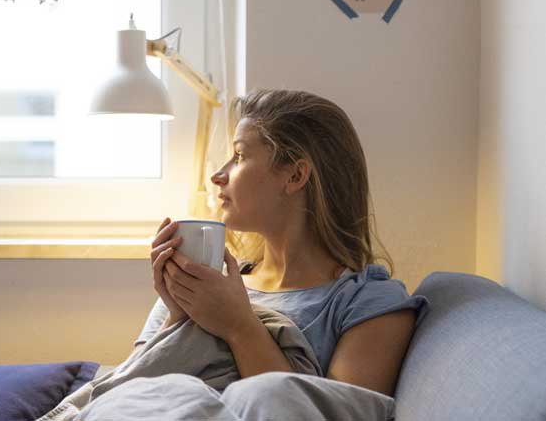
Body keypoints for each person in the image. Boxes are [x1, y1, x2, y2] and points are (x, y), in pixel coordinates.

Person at [139, 89, 429, 403]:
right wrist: (178, 315)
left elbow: (324, 414)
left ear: (294, 175)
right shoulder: (209, 283)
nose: (217, 175)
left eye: (238, 156)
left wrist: (239, 326)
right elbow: (130, 390)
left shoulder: (369, 305)